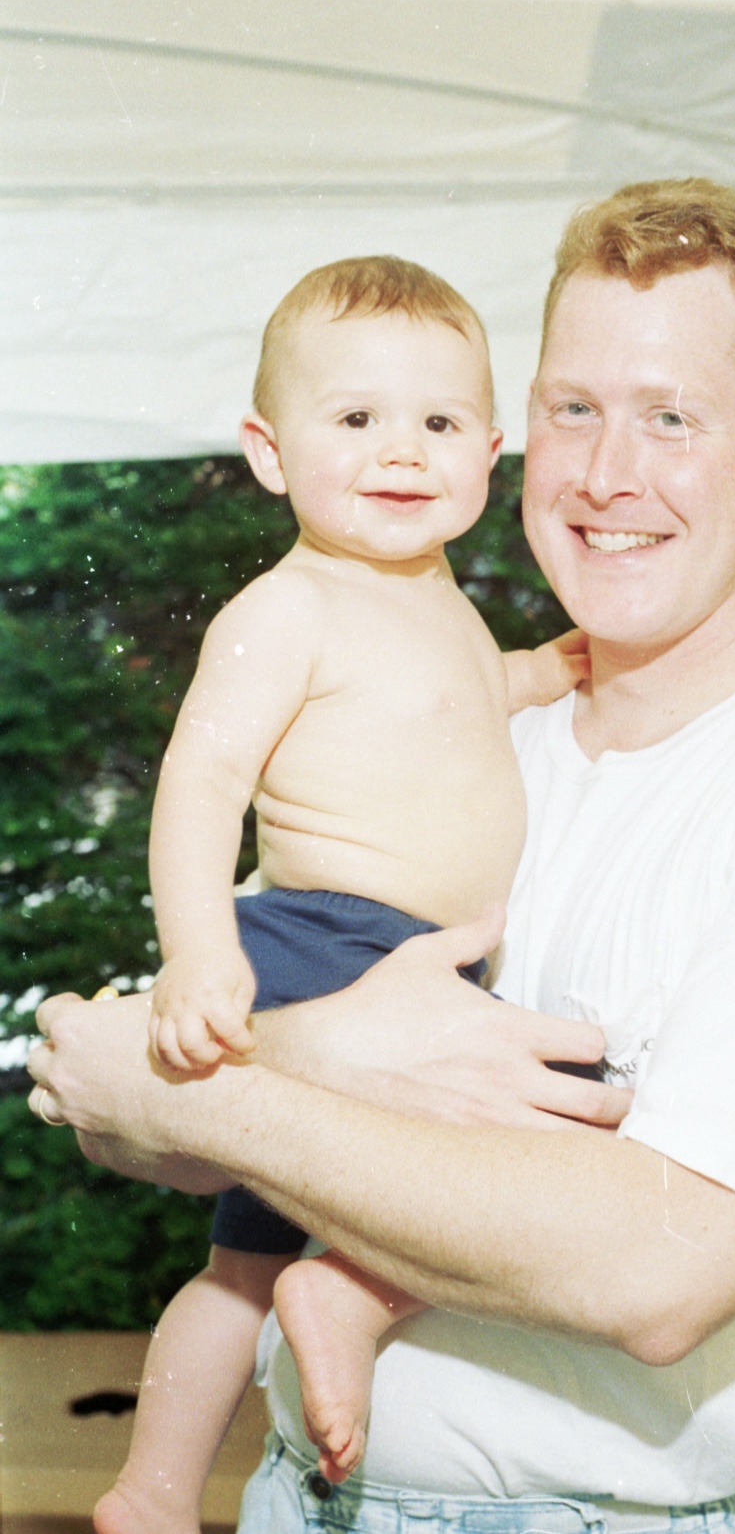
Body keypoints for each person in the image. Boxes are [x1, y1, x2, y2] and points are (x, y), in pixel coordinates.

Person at [29, 178, 735, 1534]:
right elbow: (124, 1110)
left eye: (672, 416)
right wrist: (293, 1062)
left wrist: (217, 1082)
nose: (607, 475)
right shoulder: (474, 740)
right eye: (571, 408)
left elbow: (651, 1273)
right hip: (298, 1493)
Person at [94, 254, 594, 1534]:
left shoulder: (444, 602)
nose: (400, 451)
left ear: (490, 453)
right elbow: (199, 786)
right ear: (270, 452)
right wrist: (200, 952)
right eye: (355, 418)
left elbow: (470, 705)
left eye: (437, 423)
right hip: (318, 938)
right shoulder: (288, 606)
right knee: (543, 1147)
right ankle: (333, 1314)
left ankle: (163, 1480)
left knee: (252, 1261)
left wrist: (545, 670)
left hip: (413, 963)